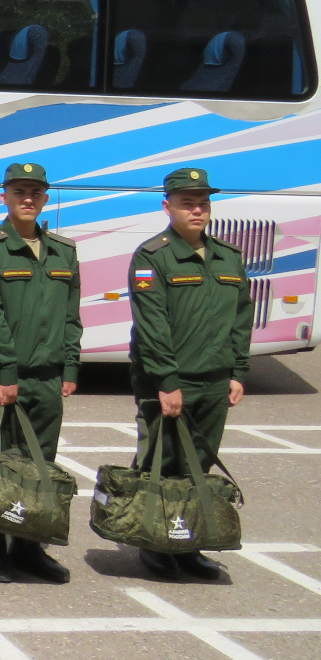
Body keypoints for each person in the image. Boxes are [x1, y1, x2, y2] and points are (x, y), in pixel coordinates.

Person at [127, 167, 252, 581]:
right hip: (169, 381)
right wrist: (167, 381)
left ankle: (187, 545)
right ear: (168, 207)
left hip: (214, 380)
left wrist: (237, 370)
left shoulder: (229, 257)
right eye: (187, 203)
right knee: (161, 463)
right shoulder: (152, 256)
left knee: (198, 465)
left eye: (203, 203)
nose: (197, 210)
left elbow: (241, 317)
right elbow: (152, 324)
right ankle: (154, 544)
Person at [0, 162, 81, 584]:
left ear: (45, 199)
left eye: (34, 192)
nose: (27, 199)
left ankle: (30, 548)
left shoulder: (63, 251)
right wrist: (6, 371)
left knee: (40, 465)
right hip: (1, 378)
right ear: (5, 198)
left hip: (46, 378)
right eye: (19, 192)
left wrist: (70, 364)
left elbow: (71, 314)